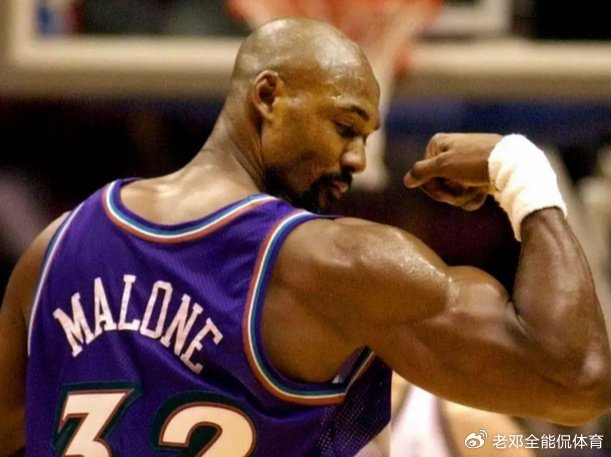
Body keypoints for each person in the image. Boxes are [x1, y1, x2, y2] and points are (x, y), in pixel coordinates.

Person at [0, 16, 610, 457]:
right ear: (269, 97)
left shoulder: (53, 251)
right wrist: (520, 170)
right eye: (345, 126)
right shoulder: (332, 265)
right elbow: (576, 378)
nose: (358, 160)